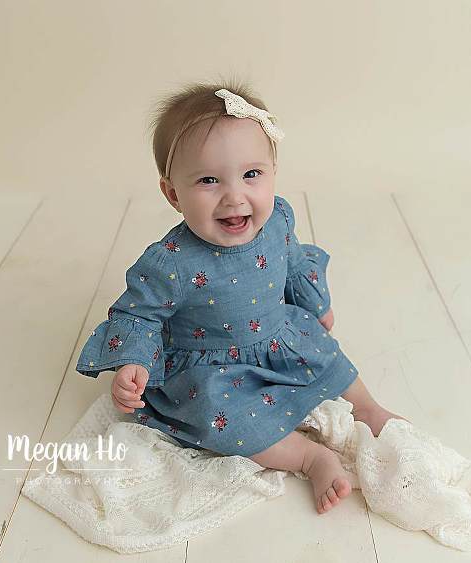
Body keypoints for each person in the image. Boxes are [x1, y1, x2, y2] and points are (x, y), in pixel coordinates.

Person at [76, 78, 407, 515]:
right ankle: (309, 457)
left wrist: (314, 305)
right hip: (212, 364)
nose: (235, 197)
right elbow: (138, 315)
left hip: (276, 334)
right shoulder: (172, 261)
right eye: (209, 180)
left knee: (325, 352)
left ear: (272, 173)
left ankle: (367, 407)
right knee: (221, 419)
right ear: (173, 194)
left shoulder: (278, 219)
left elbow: (292, 262)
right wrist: (134, 361)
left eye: (252, 174)